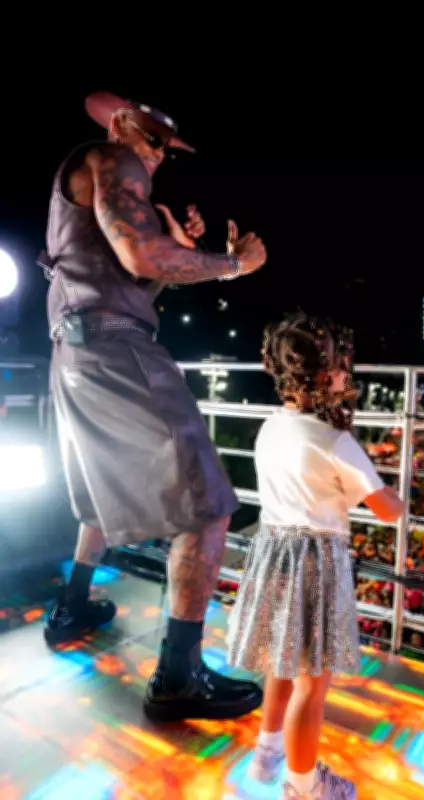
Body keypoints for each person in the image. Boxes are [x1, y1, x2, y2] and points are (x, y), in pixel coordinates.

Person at [41, 91, 267, 722]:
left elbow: (138, 277)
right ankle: (178, 676)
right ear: (124, 127)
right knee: (208, 505)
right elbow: (139, 256)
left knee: (100, 490)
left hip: (77, 349)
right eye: (156, 142)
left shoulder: (95, 177)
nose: (160, 157)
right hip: (115, 348)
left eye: (167, 149)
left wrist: (174, 247)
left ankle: (71, 608)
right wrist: (233, 264)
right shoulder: (113, 157)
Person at [227, 313, 404, 799]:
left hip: (273, 552)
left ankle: (266, 755)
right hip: (316, 561)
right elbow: (387, 510)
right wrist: (396, 492)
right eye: (342, 366)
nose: (347, 374)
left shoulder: (272, 426)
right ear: (324, 374)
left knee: (280, 660)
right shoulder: (335, 440)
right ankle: (304, 785)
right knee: (312, 683)